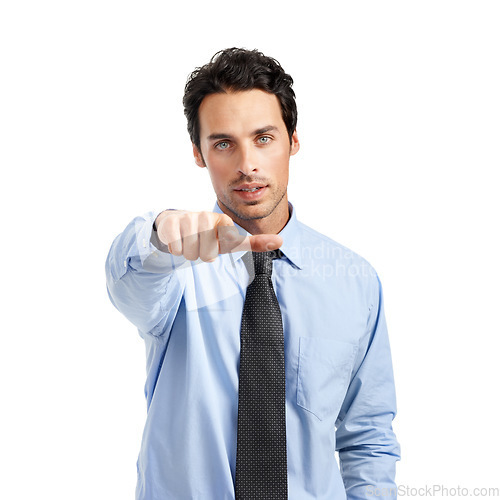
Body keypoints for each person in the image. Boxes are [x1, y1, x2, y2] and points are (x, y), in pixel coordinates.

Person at [105, 47, 400, 500]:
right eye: (223, 143)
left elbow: (367, 438)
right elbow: (127, 278)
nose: (247, 164)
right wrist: (161, 233)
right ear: (199, 154)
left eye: (263, 138)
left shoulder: (355, 281)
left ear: (293, 140)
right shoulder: (173, 269)